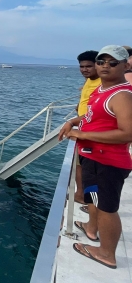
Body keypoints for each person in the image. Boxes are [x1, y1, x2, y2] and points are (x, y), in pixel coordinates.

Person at [59, 45, 132, 269]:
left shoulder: (122, 95)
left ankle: (106, 254)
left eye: (113, 62)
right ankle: (91, 229)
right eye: (101, 62)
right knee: (92, 198)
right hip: (92, 157)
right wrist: (73, 121)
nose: (104, 66)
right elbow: (91, 115)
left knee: (107, 208)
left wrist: (82, 133)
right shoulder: (101, 90)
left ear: (126, 65)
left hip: (107, 162)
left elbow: (128, 133)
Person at [74, 50, 101, 205]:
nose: (84, 69)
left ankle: (85, 198)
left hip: (92, 131)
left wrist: (72, 122)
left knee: (86, 167)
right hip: (83, 129)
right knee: (80, 165)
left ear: (97, 65)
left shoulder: (102, 84)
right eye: (82, 66)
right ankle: (81, 194)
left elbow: (97, 112)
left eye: (88, 66)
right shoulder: (89, 81)